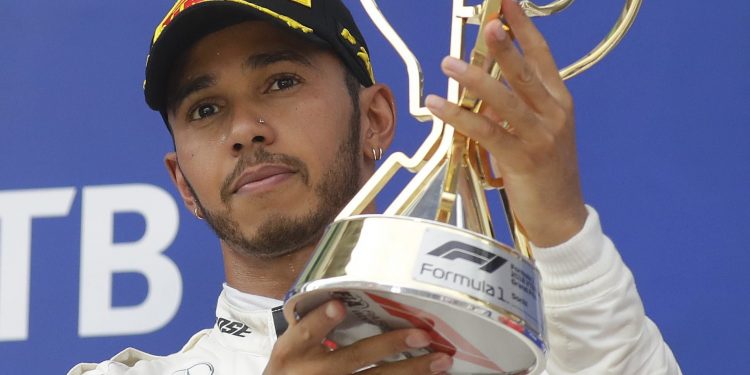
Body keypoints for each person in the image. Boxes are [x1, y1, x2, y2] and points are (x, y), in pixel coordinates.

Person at [68, 0, 682, 374]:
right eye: (204, 109)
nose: (245, 130)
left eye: (280, 82)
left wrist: (559, 225)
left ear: (378, 120)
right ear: (183, 182)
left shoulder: (516, 359)